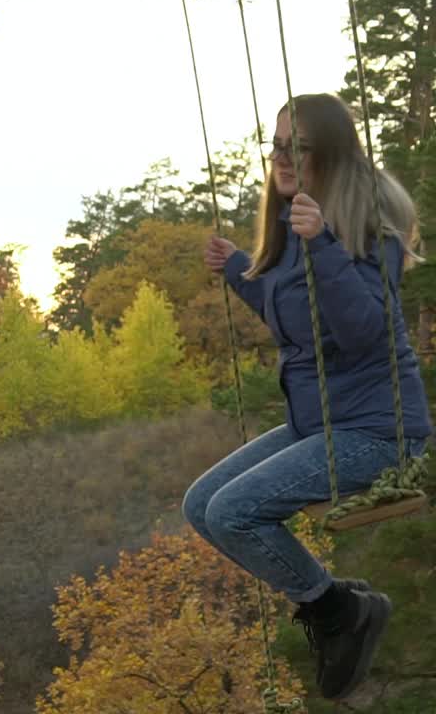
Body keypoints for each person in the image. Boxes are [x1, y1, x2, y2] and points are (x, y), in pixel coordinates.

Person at [182, 92, 431, 701]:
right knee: (201, 504)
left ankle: (334, 608)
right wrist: (241, 268)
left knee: (233, 513)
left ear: (333, 155)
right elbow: (293, 317)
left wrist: (322, 244)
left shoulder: (373, 230)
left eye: (299, 147)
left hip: (378, 432)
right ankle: (338, 603)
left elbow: (364, 330)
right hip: (317, 423)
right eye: (276, 144)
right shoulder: (296, 230)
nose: (282, 157)